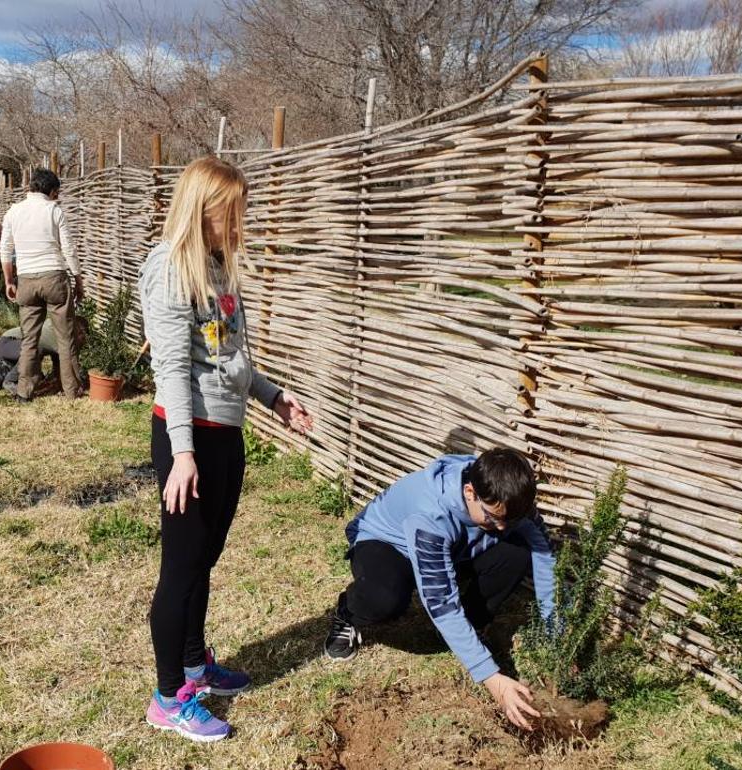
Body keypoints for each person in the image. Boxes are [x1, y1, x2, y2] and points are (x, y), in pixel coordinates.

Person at [139, 156, 314, 743]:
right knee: (181, 568)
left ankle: (195, 663)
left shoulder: (219, 269)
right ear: (202, 210)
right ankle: (168, 697)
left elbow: (231, 358)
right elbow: (171, 366)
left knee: (204, 561)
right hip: (186, 439)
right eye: (230, 214)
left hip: (226, 435)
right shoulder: (168, 269)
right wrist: (182, 453)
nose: (239, 224)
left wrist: (274, 397)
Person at [323, 448, 556, 732]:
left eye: (508, 520)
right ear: (470, 492)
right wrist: (493, 679)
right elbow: (441, 601)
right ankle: (349, 612)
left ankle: (467, 627)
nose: (502, 526)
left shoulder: (509, 496)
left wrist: (555, 627)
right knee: (384, 599)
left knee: (517, 553)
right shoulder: (431, 514)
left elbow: (543, 552)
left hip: (449, 546)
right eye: (494, 518)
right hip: (386, 542)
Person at [0, 169, 82, 401]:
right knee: (65, 337)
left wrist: (8, 280)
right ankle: (71, 390)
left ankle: (24, 391)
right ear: (53, 191)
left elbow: (6, 249)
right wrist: (78, 278)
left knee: (29, 338)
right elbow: (68, 248)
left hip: (26, 279)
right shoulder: (54, 211)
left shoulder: (14, 211)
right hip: (54, 276)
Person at [0, 316, 89, 395]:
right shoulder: (60, 336)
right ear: (77, 332)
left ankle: (3, 368)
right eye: (83, 338)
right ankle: (10, 381)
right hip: (9, 342)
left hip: (11, 344)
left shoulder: (59, 329)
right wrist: (77, 384)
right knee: (34, 351)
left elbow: (57, 363)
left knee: (36, 356)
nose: (82, 343)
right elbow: (69, 363)